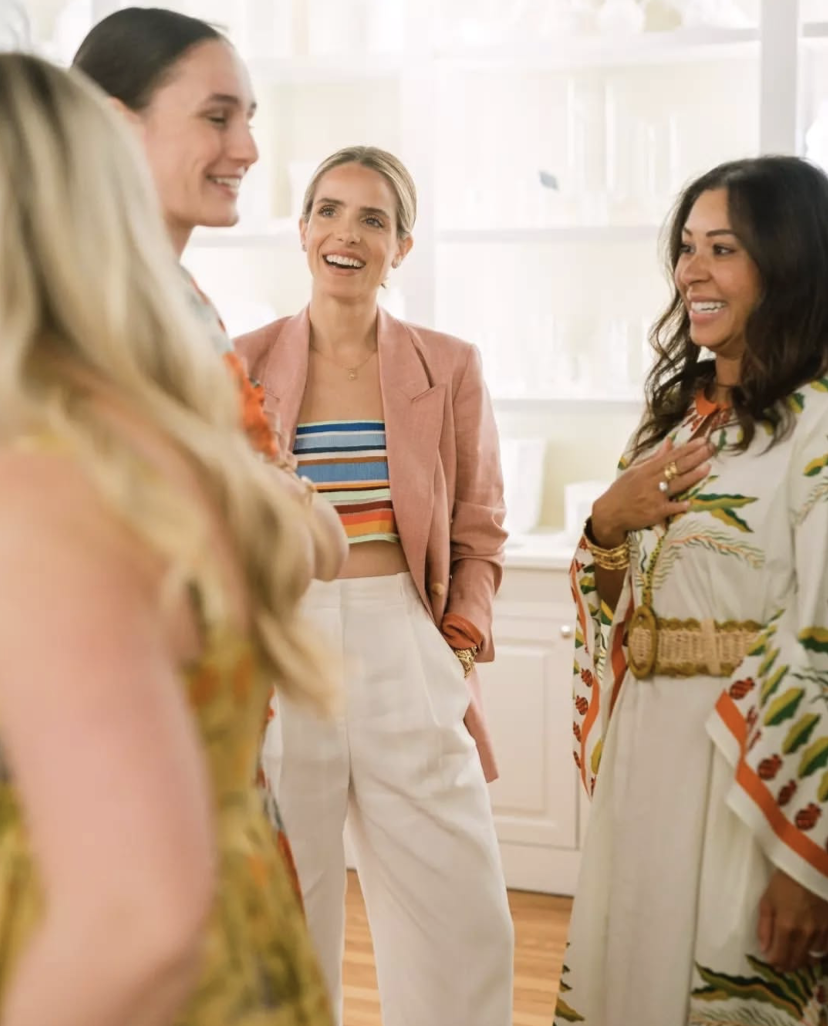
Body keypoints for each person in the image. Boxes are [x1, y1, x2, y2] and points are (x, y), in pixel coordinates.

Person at [0, 51, 334, 1025]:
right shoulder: (146, 406)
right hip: (233, 931)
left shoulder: (48, 473)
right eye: (219, 116)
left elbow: (132, 914)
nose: (246, 148)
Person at [235, 145, 514, 1026]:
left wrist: (457, 641)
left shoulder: (450, 364)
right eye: (326, 210)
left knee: (463, 914)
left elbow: (480, 527)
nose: (344, 233)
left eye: (371, 219)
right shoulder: (240, 362)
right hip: (285, 644)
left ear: (403, 246)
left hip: (405, 635)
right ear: (302, 229)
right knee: (289, 902)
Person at [557, 155, 828, 1026]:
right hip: (646, 758)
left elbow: (823, 636)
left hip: (745, 778)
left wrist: (805, 858)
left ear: (789, 265)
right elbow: (622, 595)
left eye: (724, 248)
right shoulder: (680, 416)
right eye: (685, 248)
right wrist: (603, 524)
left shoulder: (818, 423)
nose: (691, 273)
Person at [72, 6, 346, 577]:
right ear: (116, 126)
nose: (248, 150)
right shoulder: (85, 310)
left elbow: (314, 548)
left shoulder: (181, 301)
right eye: (217, 119)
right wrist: (272, 483)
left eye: (248, 119)